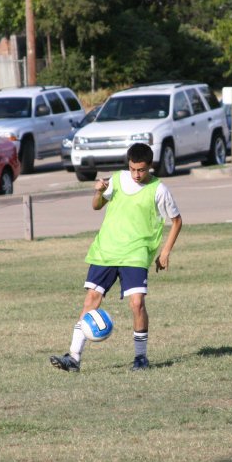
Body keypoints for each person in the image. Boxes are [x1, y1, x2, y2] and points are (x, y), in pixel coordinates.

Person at [49, 143, 183, 372]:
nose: (136, 174)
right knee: (91, 300)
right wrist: (99, 192)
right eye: (132, 169)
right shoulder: (118, 179)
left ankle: (141, 358)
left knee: (137, 303)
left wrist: (166, 251)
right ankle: (73, 358)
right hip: (107, 250)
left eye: (141, 170)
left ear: (150, 166)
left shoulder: (159, 189)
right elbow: (96, 206)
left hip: (136, 253)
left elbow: (177, 220)